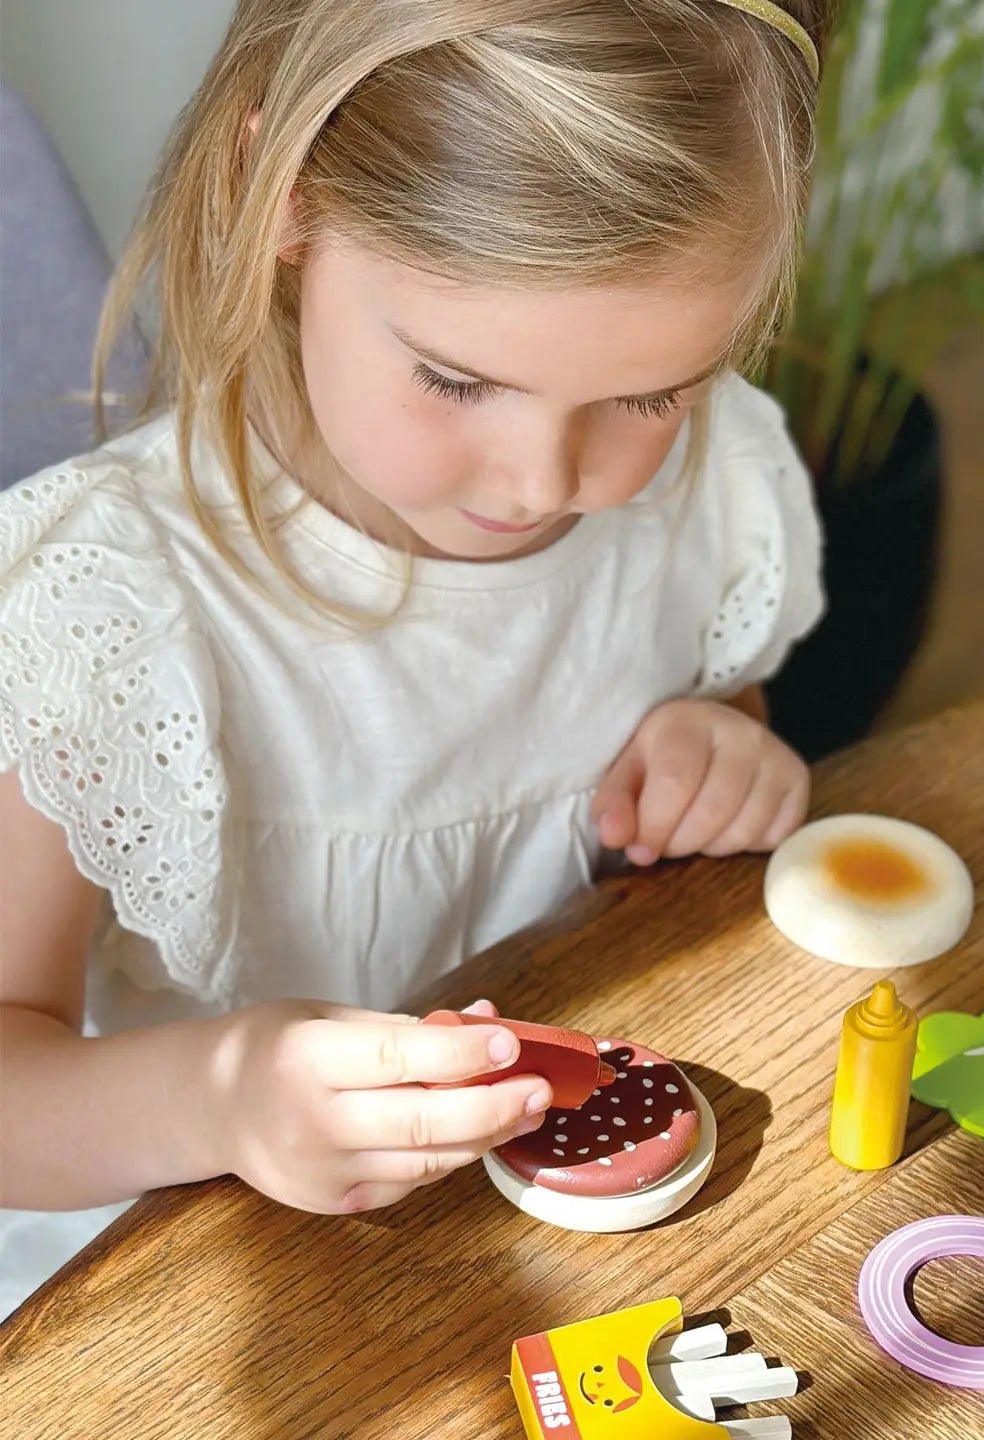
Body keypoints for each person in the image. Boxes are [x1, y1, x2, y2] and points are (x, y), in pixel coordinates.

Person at [0, 0, 829, 1319]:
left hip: (558, 1226)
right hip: (191, 1264)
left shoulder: (700, 488)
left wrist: (717, 749)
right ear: (280, 197)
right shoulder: (100, 609)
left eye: (649, 394)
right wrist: (229, 1096)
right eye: (455, 379)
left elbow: (707, 696)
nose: (548, 479)